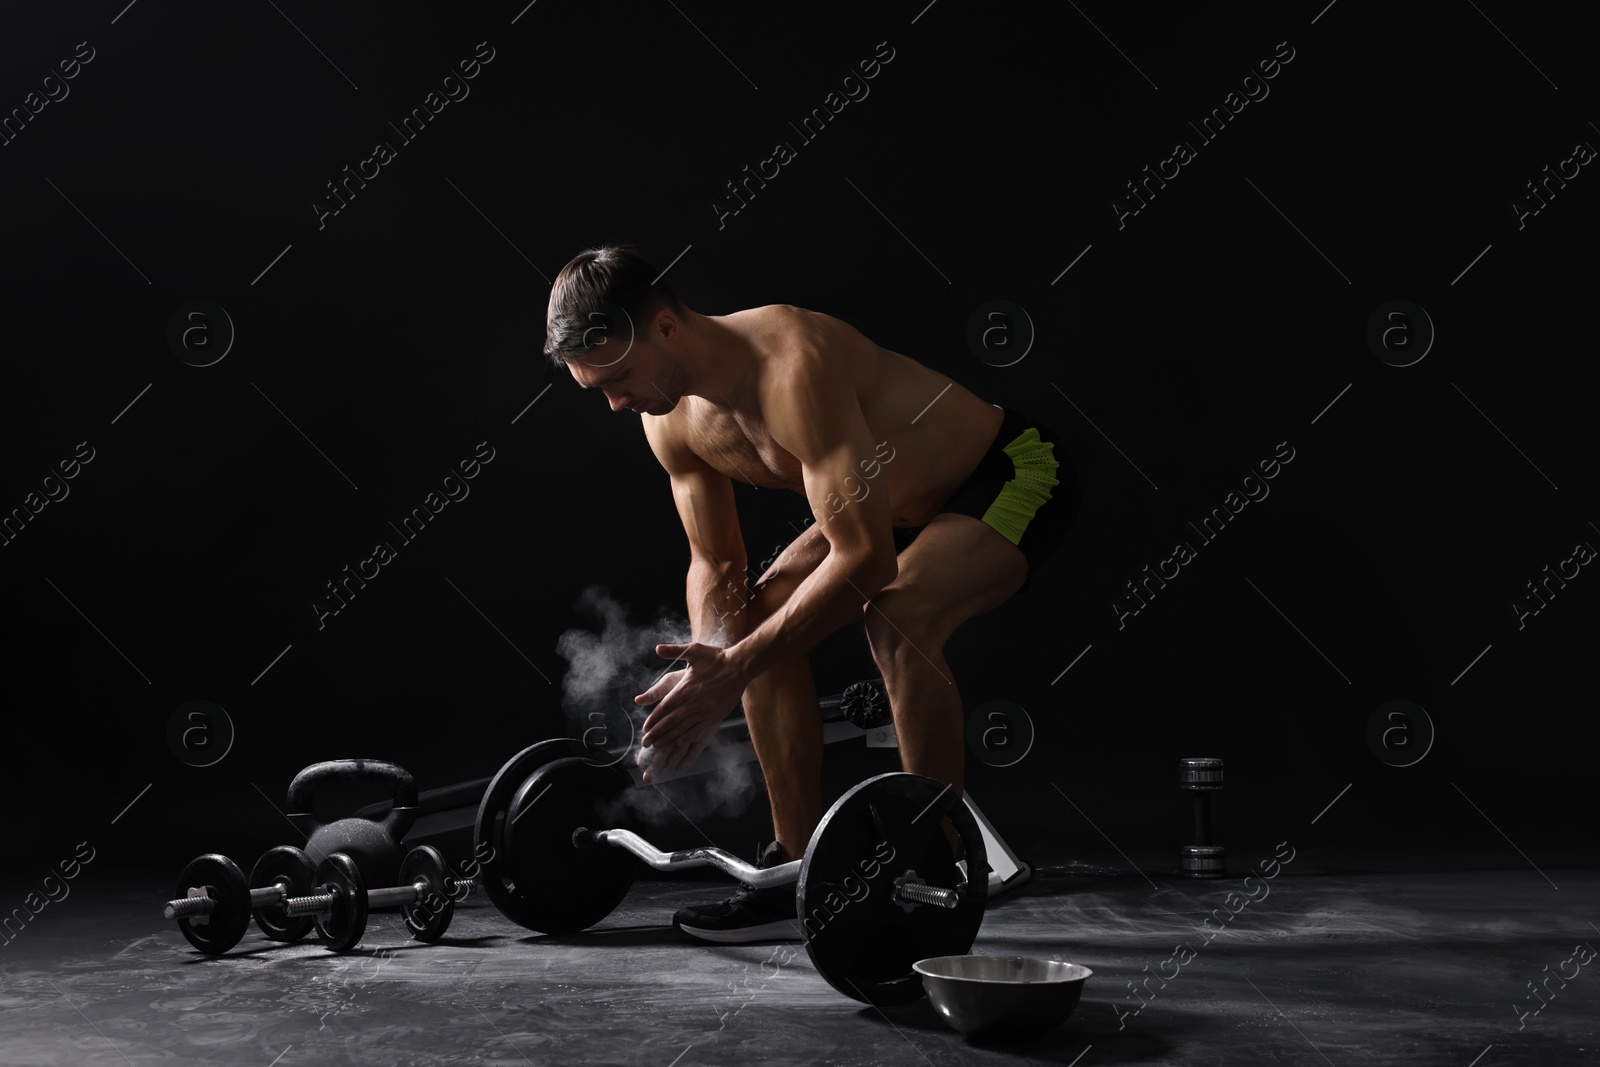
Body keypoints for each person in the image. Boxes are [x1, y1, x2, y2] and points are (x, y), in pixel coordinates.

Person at [544, 245, 1079, 942]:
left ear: (667, 328)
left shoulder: (791, 364)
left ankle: (939, 865)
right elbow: (715, 561)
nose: (617, 401)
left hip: (1008, 472)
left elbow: (866, 557)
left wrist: (737, 668)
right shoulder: (667, 417)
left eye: (619, 376)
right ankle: (794, 869)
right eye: (599, 389)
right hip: (890, 508)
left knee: (897, 614)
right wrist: (712, 663)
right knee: (753, 620)